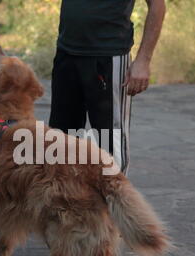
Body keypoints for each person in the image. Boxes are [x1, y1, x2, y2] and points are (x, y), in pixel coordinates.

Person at [49, 0, 166, 175]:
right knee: (61, 140)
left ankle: (114, 200)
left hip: (108, 56)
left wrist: (143, 60)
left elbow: (157, 6)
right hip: (67, 54)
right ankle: (63, 199)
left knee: (110, 141)